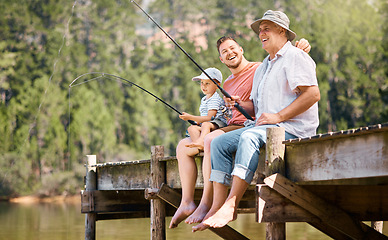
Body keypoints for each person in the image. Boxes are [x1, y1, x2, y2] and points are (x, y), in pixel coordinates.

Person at [169, 35, 312, 229]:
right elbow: (239, 109)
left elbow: (259, 105)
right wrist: (233, 105)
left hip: (251, 126)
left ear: (241, 49)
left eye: (232, 48)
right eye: (224, 52)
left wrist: (300, 48)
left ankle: (208, 204)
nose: (230, 53)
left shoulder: (259, 69)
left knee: (212, 139)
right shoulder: (226, 83)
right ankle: (187, 202)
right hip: (232, 125)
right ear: (221, 59)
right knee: (182, 145)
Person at [197, 10, 320, 230]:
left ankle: (232, 204)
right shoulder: (264, 66)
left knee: (249, 137)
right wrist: (239, 104)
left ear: (282, 31)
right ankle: (217, 205)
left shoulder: (295, 57)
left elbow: (312, 95)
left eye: (266, 29)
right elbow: (256, 107)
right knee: (218, 142)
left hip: (290, 129)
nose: (260, 33)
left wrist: (278, 116)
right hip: (265, 127)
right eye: (259, 30)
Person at [179, 67, 227, 150]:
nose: (203, 86)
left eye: (207, 83)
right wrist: (197, 122)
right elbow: (204, 115)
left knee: (205, 124)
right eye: (202, 83)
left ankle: (202, 143)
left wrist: (190, 117)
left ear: (217, 85)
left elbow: (210, 118)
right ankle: (200, 146)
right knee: (191, 128)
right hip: (208, 124)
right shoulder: (204, 99)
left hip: (218, 124)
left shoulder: (214, 98)